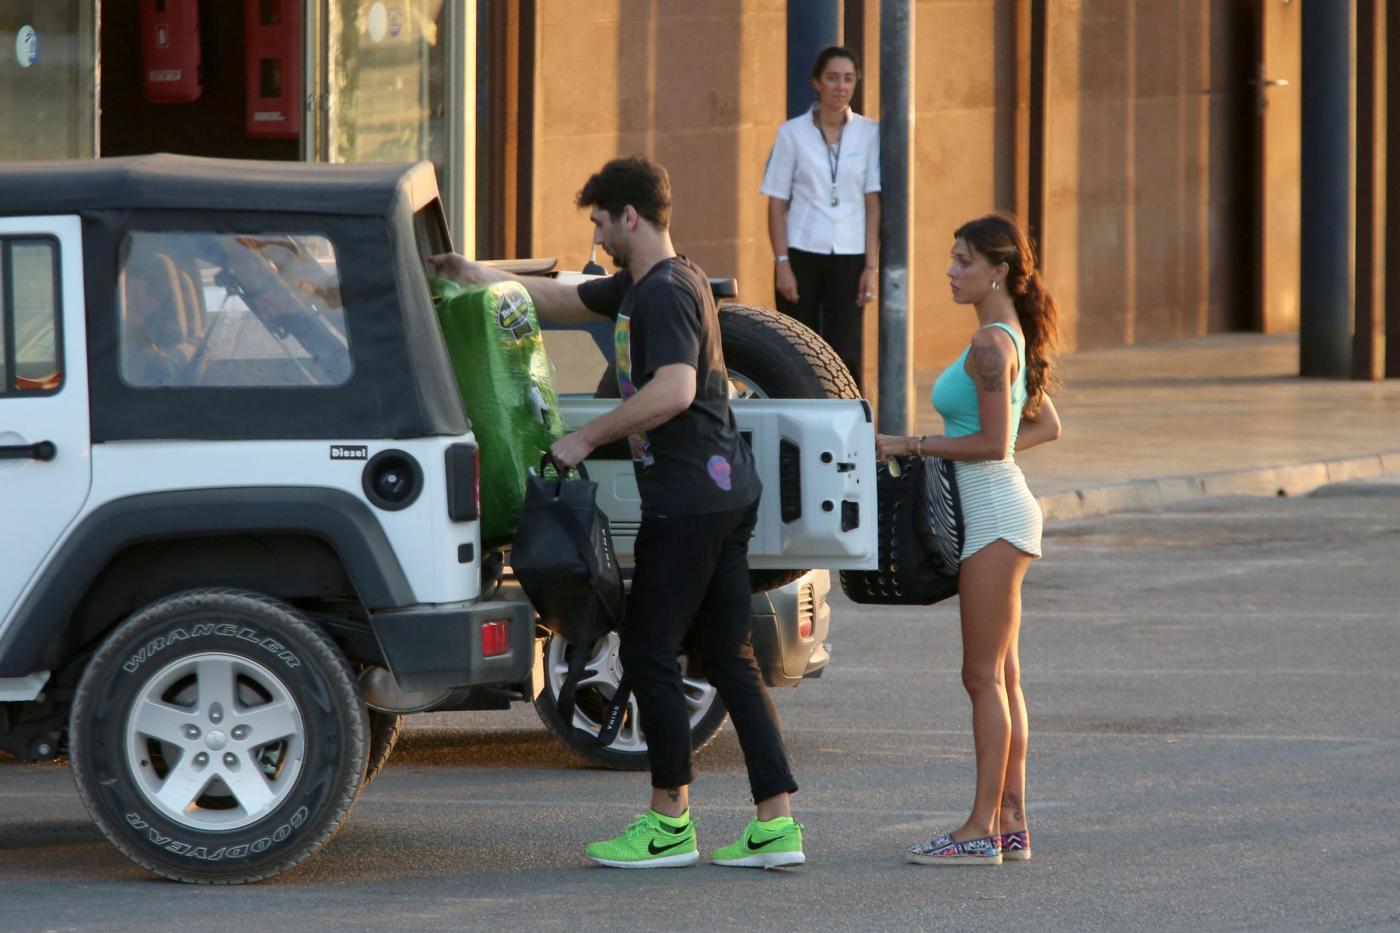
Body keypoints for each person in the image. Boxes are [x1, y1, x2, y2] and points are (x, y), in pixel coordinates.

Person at [428, 156, 804, 870]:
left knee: (649, 653)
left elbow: (675, 389)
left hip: (688, 503)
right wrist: (473, 273)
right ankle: (775, 825)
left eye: (601, 222)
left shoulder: (664, 293)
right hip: (723, 493)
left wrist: (585, 437)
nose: (597, 237)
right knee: (729, 656)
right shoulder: (654, 282)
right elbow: (563, 298)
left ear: (631, 216)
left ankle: (669, 824)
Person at [876, 212, 1062, 866]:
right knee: (1003, 676)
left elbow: (991, 443)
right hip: (997, 510)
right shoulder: (1006, 338)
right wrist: (986, 449)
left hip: (994, 519)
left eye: (963, 261)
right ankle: (1010, 822)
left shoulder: (991, 345)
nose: (951, 272)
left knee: (981, 676)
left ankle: (980, 828)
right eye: (952, 259)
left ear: (998, 271)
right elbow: (1044, 425)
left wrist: (911, 443)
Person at [760, 45, 880, 393]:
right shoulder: (792, 133)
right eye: (832, 78)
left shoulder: (869, 133)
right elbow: (776, 203)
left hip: (850, 253)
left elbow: (873, 202)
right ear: (817, 83)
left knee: (847, 350)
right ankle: (796, 415)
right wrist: (782, 262)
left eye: (848, 79)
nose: (841, 86)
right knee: (796, 345)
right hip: (801, 250)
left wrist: (870, 266)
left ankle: (851, 417)